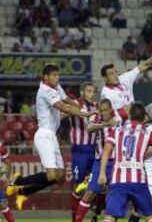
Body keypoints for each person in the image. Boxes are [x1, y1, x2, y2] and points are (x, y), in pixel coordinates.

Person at [6, 65, 93, 210]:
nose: (56, 78)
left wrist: (82, 109)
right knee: (52, 175)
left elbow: (67, 100)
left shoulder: (55, 87)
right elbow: (63, 106)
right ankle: (18, 180)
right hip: (44, 135)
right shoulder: (45, 90)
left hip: (52, 135)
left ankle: (23, 192)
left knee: (60, 178)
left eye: (58, 75)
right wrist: (84, 114)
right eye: (53, 75)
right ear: (45, 76)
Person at [70, 99, 127, 222]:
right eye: (101, 110)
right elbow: (89, 128)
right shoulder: (96, 117)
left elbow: (131, 108)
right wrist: (105, 124)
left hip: (117, 162)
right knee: (89, 194)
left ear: (111, 110)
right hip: (99, 161)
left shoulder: (119, 115)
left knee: (113, 197)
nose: (102, 113)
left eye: (105, 110)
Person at [100, 41, 152, 113]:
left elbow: (145, 65)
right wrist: (125, 111)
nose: (115, 75)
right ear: (105, 78)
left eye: (116, 72)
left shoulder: (123, 79)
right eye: (111, 74)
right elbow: (108, 115)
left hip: (135, 118)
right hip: (122, 124)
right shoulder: (106, 94)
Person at [69, 82, 97, 222]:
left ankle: (94, 210)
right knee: (77, 186)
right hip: (79, 150)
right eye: (89, 91)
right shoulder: (74, 104)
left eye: (93, 91)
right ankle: (75, 220)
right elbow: (61, 112)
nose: (92, 94)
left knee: (96, 184)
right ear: (82, 92)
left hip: (94, 150)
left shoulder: (96, 107)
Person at [0, 141, 28, 222]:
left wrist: (7, 178)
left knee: (2, 205)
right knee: (2, 205)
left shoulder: (1, 147)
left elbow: (8, 162)